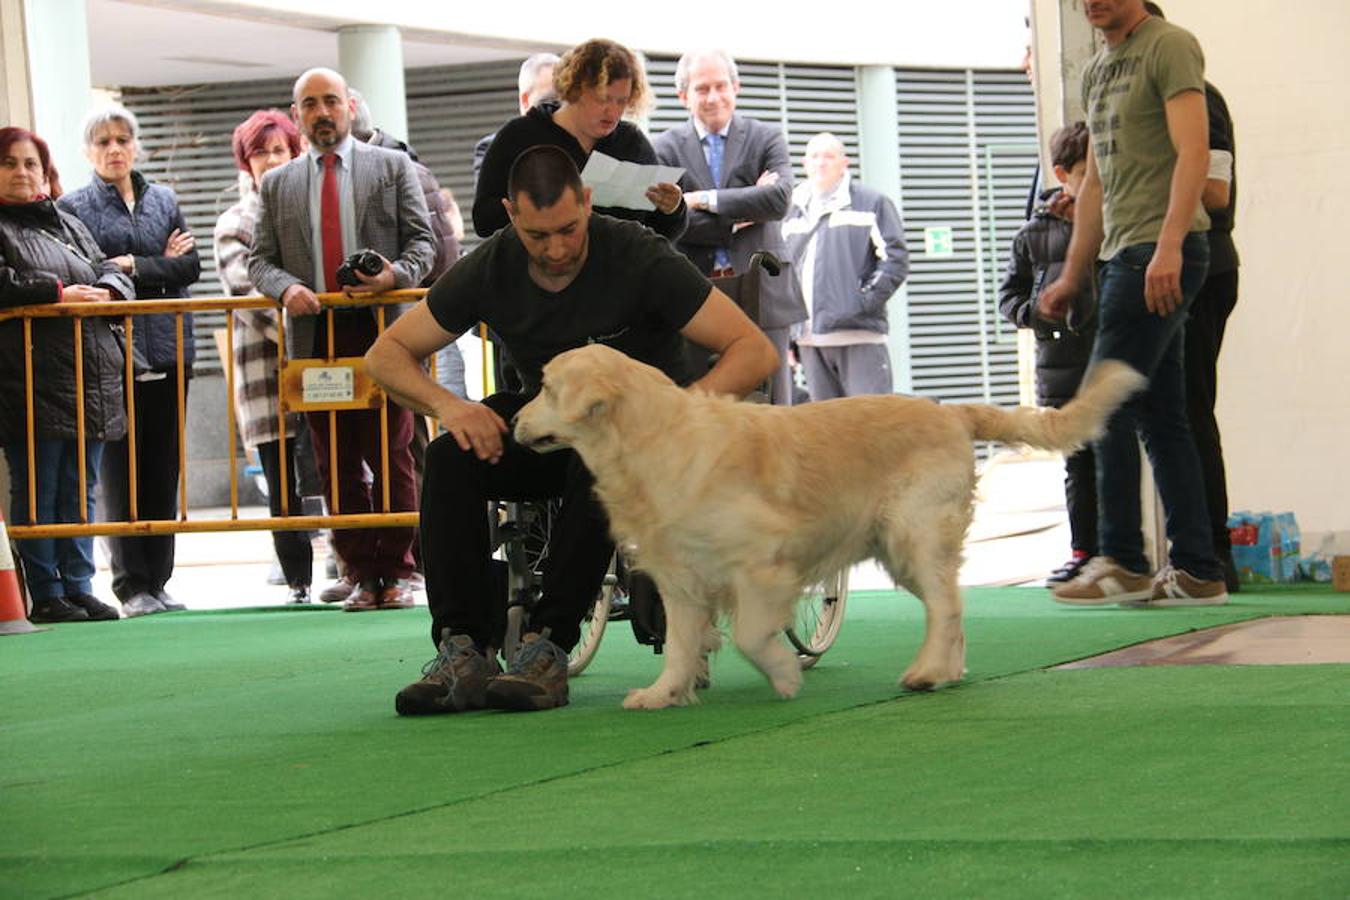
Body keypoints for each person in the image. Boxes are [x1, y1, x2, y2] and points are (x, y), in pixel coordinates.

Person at [364, 145, 778, 715]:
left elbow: (752, 351)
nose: (556, 249)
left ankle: (548, 645)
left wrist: (679, 418)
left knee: (601, 452)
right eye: (538, 236)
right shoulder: (493, 265)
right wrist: (451, 407)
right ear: (511, 215)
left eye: (568, 229)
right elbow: (386, 355)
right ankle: (463, 648)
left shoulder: (637, 255)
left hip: (645, 437)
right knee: (449, 458)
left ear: (586, 201)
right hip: (548, 420)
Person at [1039, 0, 1228, 606]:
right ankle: (1198, 570)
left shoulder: (1169, 45)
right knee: (1160, 415)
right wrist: (1071, 273)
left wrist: (1170, 245)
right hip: (1124, 252)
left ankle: (1122, 558)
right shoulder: (1098, 68)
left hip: (1157, 250)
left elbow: (1194, 154)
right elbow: (1093, 182)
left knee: (1103, 405)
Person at [248, 67, 436, 612]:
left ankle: (399, 572)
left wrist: (392, 277)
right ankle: (359, 572)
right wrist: (287, 290)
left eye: (331, 101)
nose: (322, 112)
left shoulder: (393, 166)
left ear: (350, 107)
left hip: (384, 331)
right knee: (336, 461)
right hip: (315, 336)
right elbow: (260, 260)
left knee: (394, 451)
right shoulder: (277, 183)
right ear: (297, 114)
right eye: (309, 104)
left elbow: (424, 244)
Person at [59, 104, 201, 618]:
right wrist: (148, 268)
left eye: (122, 139)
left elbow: (190, 263)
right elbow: (93, 271)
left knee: (164, 463)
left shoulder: (163, 198)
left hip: (170, 346)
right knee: (121, 467)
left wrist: (133, 264)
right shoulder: (72, 207)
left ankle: (159, 579)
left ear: (136, 145)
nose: (114, 149)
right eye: (102, 142)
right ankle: (130, 583)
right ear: (87, 152)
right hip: (112, 352)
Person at [0, 126, 131, 623]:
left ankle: (80, 585)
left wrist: (109, 291)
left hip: (90, 373)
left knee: (82, 485)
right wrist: (57, 293)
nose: (22, 172)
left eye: (31, 163)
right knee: (40, 486)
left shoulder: (66, 222)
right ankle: (46, 590)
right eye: (9, 163)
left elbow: (109, 268)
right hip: (28, 376)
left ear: (46, 171)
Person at [1143, 1, 1241, 592]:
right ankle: (1188, 555)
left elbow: (1216, 191)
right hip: (1153, 265)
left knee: (1189, 412)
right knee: (1166, 413)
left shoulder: (1197, 96)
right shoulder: (1136, 97)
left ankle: (1212, 556)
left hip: (1200, 269)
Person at [652, 49, 805, 406]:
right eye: (702, 89)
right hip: (696, 291)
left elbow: (780, 200)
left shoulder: (766, 137)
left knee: (775, 406)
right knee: (705, 407)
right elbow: (668, 221)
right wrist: (744, 211)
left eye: (721, 86)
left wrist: (702, 199)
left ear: (736, 87)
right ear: (683, 96)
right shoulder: (662, 149)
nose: (714, 97)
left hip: (763, 286)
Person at [213, 109, 313, 604]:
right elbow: (248, 294)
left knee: (336, 468)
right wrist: (314, 334)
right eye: (260, 152)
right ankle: (297, 577)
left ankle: (349, 562)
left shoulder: (311, 207)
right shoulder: (234, 221)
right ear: (245, 162)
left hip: (321, 369)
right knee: (281, 478)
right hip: (266, 371)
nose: (271, 161)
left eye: (280, 150)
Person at [998, 122, 1099, 586]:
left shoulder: (1110, 224)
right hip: (1060, 363)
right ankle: (1084, 550)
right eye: (1084, 171)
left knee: (1119, 454)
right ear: (1061, 174)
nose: (1094, 181)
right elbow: (1007, 298)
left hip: (1106, 354)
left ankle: (1120, 551)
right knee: (1078, 461)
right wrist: (1034, 312)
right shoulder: (1032, 235)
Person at [471, 38, 685, 241]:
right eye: (603, 99)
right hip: (538, 274)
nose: (613, 111)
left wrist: (673, 209)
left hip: (615, 274)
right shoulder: (519, 136)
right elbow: (484, 221)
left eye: (622, 101)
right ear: (574, 90)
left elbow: (659, 235)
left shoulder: (631, 142)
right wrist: (537, 207)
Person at [781, 133, 909, 400]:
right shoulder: (791, 209)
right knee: (828, 433)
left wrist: (861, 303)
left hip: (858, 335)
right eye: (814, 156)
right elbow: (782, 270)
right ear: (804, 163)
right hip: (808, 341)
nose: (821, 163)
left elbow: (895, 259)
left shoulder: (871, 203)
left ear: (844, 163)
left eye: (829, 156)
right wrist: (789, 335)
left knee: (872, 425)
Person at [472, 52, 560, 186]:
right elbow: (494, 202)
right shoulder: (494, 148)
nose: (558, 107)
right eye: (550, 99)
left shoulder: (586, 142)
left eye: (568, 99)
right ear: (525, 100)